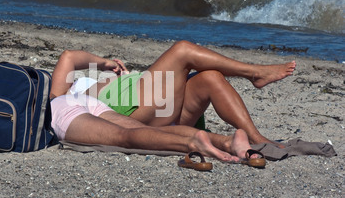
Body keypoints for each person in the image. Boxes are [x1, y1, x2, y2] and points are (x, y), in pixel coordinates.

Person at [0, 58, 264, 165]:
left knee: (127, 138)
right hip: (77, 101)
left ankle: (200, 142)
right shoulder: (29, 80)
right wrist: (101, 63)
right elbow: (67, 62)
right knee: (127, 126)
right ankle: (232, 143)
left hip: (65, 119)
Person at [51, 41, 296, 145]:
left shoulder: (78, 91)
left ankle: (257, 139)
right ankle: (254, 73)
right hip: (131, 109)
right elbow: (68, 56)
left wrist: (114, 74)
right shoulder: (59, 99)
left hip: (159, 111)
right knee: (182, 51)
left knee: (210, 77)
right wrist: (104, 62)